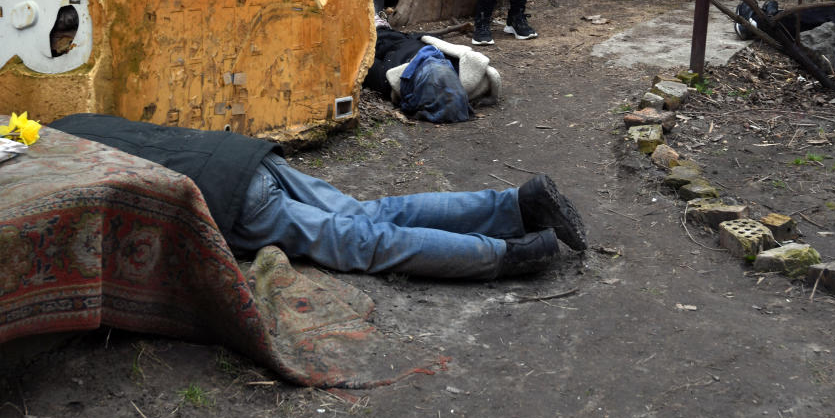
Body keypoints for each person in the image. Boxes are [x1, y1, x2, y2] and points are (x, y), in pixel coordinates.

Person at [49, 113, 587, 280]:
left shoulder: (54, 171)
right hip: (245, 157)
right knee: (370, 214)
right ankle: (516, 204)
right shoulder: (65, 123)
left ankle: (508, 256)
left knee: (364, 243)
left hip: (232, 198)